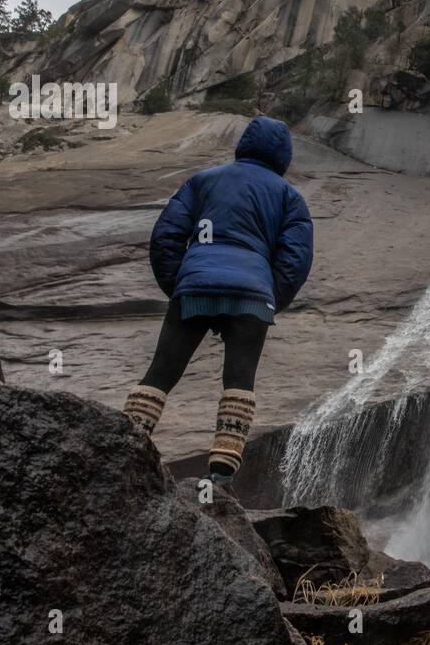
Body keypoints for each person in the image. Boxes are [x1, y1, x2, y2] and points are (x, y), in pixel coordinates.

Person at [122, 115, 313, 482]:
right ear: (284, 157)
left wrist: (177, 284)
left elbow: (167, 236)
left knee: (161, 372)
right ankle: (221, 472)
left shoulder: (203, 180)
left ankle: (125, 442)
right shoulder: (289, 197)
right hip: (252, 295)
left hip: (195, 285)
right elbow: (295, 258)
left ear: (243, 145)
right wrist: (271, 298)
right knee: (239, 380)